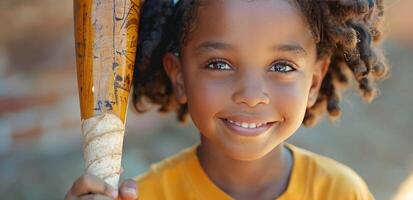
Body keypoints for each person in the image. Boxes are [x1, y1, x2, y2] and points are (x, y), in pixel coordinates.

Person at [65, 0, 389, 199]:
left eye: (282, 66)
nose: (250, 96)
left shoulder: (340, 193)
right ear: (179, 76)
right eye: (219, 64)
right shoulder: (146, 197)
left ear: (314, 82)